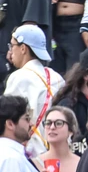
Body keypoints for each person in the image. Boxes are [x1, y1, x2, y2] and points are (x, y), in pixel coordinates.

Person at [4, 24, 63, 153]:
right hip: (57, 150)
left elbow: (6, 119)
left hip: (31, 151)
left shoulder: (18, 77)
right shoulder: (57, 77)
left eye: (12, 46)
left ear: (23, 48)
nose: (10, 51)